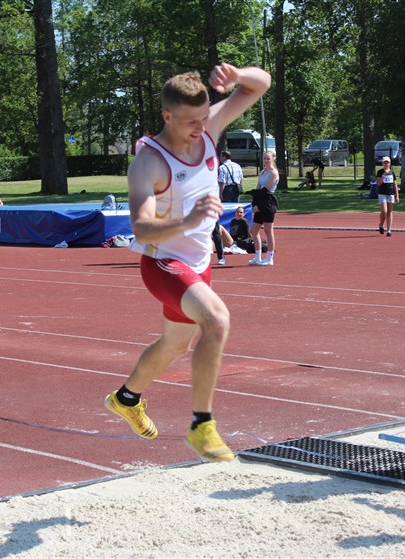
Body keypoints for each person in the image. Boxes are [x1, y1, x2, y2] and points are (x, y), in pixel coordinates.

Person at [104, 64, 271, 462]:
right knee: (216, 321)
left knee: (174, 345)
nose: (200, 127)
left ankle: (127, 398)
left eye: (203, 118)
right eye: (190, 121)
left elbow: (260, 84)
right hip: (163, 263)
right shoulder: (150, 162)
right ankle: (201, 425)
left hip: (198, 264)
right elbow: (142, 230)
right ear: (167, 116)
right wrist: (190, 220)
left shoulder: (207, 126)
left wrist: (237, 76)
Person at [248, 150, 278, 266]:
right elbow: (258, 188)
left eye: (268, 158)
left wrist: (255, 195)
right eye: (264, 158)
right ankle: (258, 256)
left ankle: (270, 257)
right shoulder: (262, 172)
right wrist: (254, 204)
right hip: (260, 201)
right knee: (254, 231)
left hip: (268, 202)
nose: (266, 160)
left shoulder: (273, 172)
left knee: (268, 231)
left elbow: (265, 189)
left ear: (272, 159)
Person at [376, 156, 399, 236]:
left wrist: (397, 195)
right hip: (382, 194)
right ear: (382, 163)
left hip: (390, 194)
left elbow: (395, 184)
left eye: (387, 162)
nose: (386, 164)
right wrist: (384, 175)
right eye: (385, 162)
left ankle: (389, 230)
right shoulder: (380, 172)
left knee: (389, 212)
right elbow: (378, 183)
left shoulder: (392, 173)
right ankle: (381, 224)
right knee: (384, 211)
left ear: (390, 163)